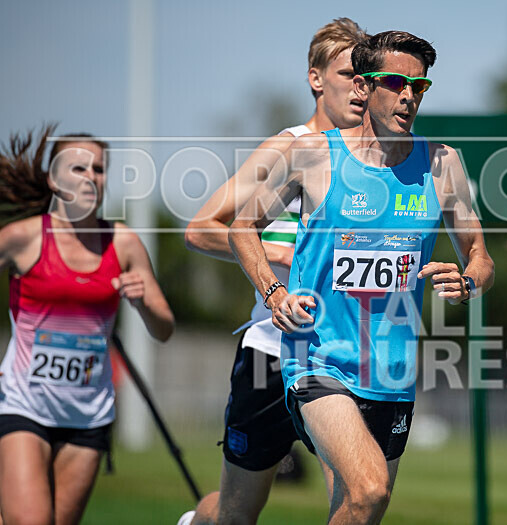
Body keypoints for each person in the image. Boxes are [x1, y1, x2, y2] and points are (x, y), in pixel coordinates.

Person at [229, 31, 495, 525]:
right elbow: (242, 227)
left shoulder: (442, 163)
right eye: (395, 83)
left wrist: (468, 281)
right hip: (317, 359)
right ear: (363, 87)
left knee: (360, 509)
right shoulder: (313, 155)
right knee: (370, 489)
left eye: (419, 86)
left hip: (392, 372)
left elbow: (480, 255)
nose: (408, 96)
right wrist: (274, 292)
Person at [178, 18, 369, 525]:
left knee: (358, 493)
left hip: (339, 354)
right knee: (236, 513)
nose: (360, 87)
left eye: (366, 77)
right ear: (315, 78)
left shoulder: (371, 161)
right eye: (348, 74)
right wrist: (278, 258)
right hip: (271, 351)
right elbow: (201, 228)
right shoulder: (288, 147)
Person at [0, 129, 174, 525]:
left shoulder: (122, 243)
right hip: (24, 405)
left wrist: (143, 302)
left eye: (99, 169)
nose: (91, 177)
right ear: (53, 178)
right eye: (78, 168)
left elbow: (164, 328)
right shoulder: (23, 237)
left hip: (88, 415)